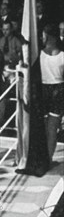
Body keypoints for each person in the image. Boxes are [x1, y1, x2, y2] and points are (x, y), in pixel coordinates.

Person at [41, 25, 64, 161]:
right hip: (54, 90)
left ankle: (47, 158)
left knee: (49, 128)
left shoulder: (40, 55)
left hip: (53, 90)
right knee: (50, 129)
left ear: (49, 37)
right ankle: (47, 158)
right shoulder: (41, 54)